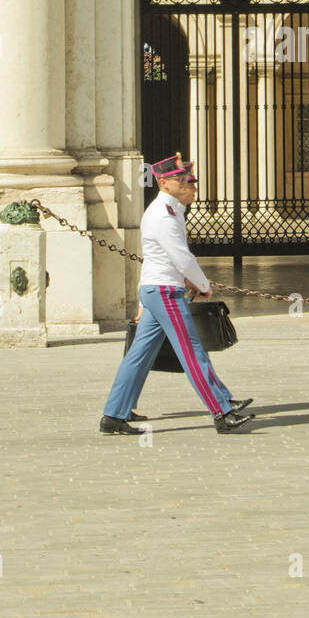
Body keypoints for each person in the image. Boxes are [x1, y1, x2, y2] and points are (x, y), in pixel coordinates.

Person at [99, 153, 255, 435]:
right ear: (165, 183)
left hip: (157, 288)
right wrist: (203, 285)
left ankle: (114, 414)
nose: (190, 186)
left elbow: (162, 259)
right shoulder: (164, 215)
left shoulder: (170, 212)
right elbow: (181, 257)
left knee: (139, 355)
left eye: (190, 181)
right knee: (192, 353)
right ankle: (221, 411)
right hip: (164, 292)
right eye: (183, 181)